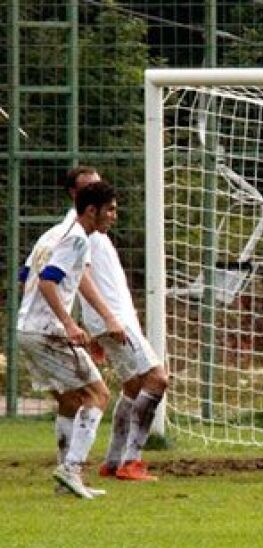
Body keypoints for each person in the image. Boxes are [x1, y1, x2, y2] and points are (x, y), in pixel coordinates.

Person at [16, 181, 119, 499]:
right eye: (110, 210)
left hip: (28, 329)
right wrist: (69, 324)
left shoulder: (53, 234)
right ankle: (71, 468)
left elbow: (25, 275)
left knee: (71, 400)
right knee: (99, 394)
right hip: (47, 332)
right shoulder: (77, 239)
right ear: (92, 210)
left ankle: (66, 479)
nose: (114, 216)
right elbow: (47, 282)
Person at [84, 181, 170, 482]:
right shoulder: (79, 233)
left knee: (133, 385)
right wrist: (105, 320)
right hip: (114, 320)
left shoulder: (94, 234)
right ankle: (132, 461)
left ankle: (113, 461)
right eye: (109, 208)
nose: (113, 215)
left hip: (112, 320)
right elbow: (79, 277)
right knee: (157, 378)